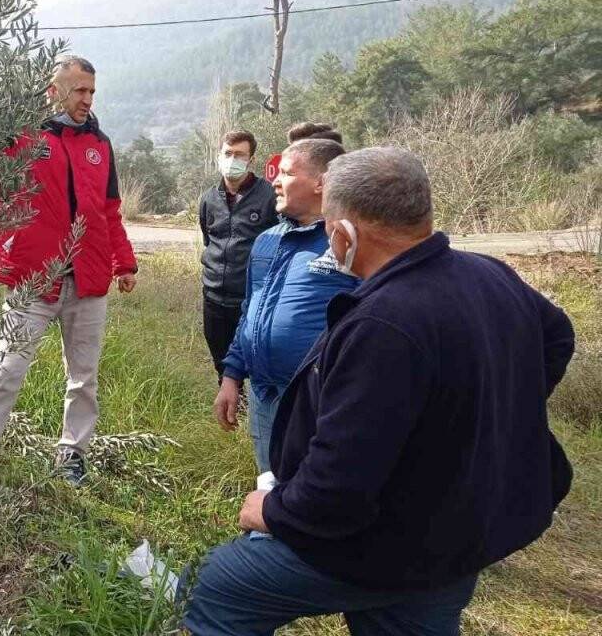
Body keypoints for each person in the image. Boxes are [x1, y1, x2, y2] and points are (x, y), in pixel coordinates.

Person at [183, 147, 575, 636]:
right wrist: (485, 408)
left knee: (216, 585)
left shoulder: (384, 325)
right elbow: (558, 336)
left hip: (388, 544)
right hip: (452, 534)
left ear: (345, 233)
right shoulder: (490, 274)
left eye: (329, 227)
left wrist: (273, 510)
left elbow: (337, 491)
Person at [0, 56, 138, 505]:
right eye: (79, 91)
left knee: (83, 378)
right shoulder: (20, 134)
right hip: (33, 280)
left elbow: (108, 211)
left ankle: (72, 454)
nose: (87, 100)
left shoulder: (100, 145)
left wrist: (123, 262)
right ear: (53, 90)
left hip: (86, 280)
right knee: (5, 370)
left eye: (92, 91)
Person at [213, 139, 356, 474]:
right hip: (265, 395)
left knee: (316, 492)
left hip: (318, 400)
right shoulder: (267, 241)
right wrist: (232, 375)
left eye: (288, 173)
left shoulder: (348, 244)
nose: (274, 181)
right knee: (271, 482)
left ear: (323, 182)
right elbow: (250, 311)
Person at [198, 130, 278, 379]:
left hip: (251, 297)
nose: (232, 160)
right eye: (228, 153)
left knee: (252, 360)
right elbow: (208, 240)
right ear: (219, 156)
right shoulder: (209, 199)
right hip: (213, 296)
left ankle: (251, 410)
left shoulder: (269, 197)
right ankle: (231, 406)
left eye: (240, 155)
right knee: (221, 361)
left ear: (251, 159)